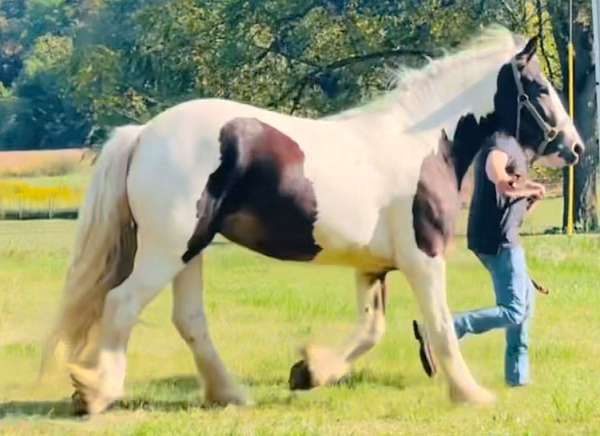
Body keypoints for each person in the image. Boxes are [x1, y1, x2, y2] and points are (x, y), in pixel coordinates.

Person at [413, 132, 545, 387]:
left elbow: (509, 202)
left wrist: (530, 197)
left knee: (525, 302)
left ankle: (517, 379)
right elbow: (502, 182)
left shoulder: (511, 147)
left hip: (502, 238)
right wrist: (528, 187)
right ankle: (441, 331)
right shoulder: (499, 143)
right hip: (500, 243)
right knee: (514, 311)